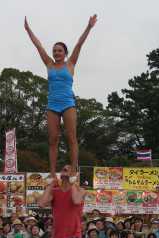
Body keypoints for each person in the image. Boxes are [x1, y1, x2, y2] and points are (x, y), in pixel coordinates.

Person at [24, 15, 97, 181]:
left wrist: (89, 27)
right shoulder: (49, 64)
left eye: (59, 51)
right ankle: (51, 172)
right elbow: (38, 46)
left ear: (65, 53)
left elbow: (79, 43)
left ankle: (73, 169)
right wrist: (28, 30)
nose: (56, 53)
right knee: (53, 139)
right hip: (52, 105)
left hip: (68, 103)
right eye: (54, 51)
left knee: (71, 137)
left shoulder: (70, 64)